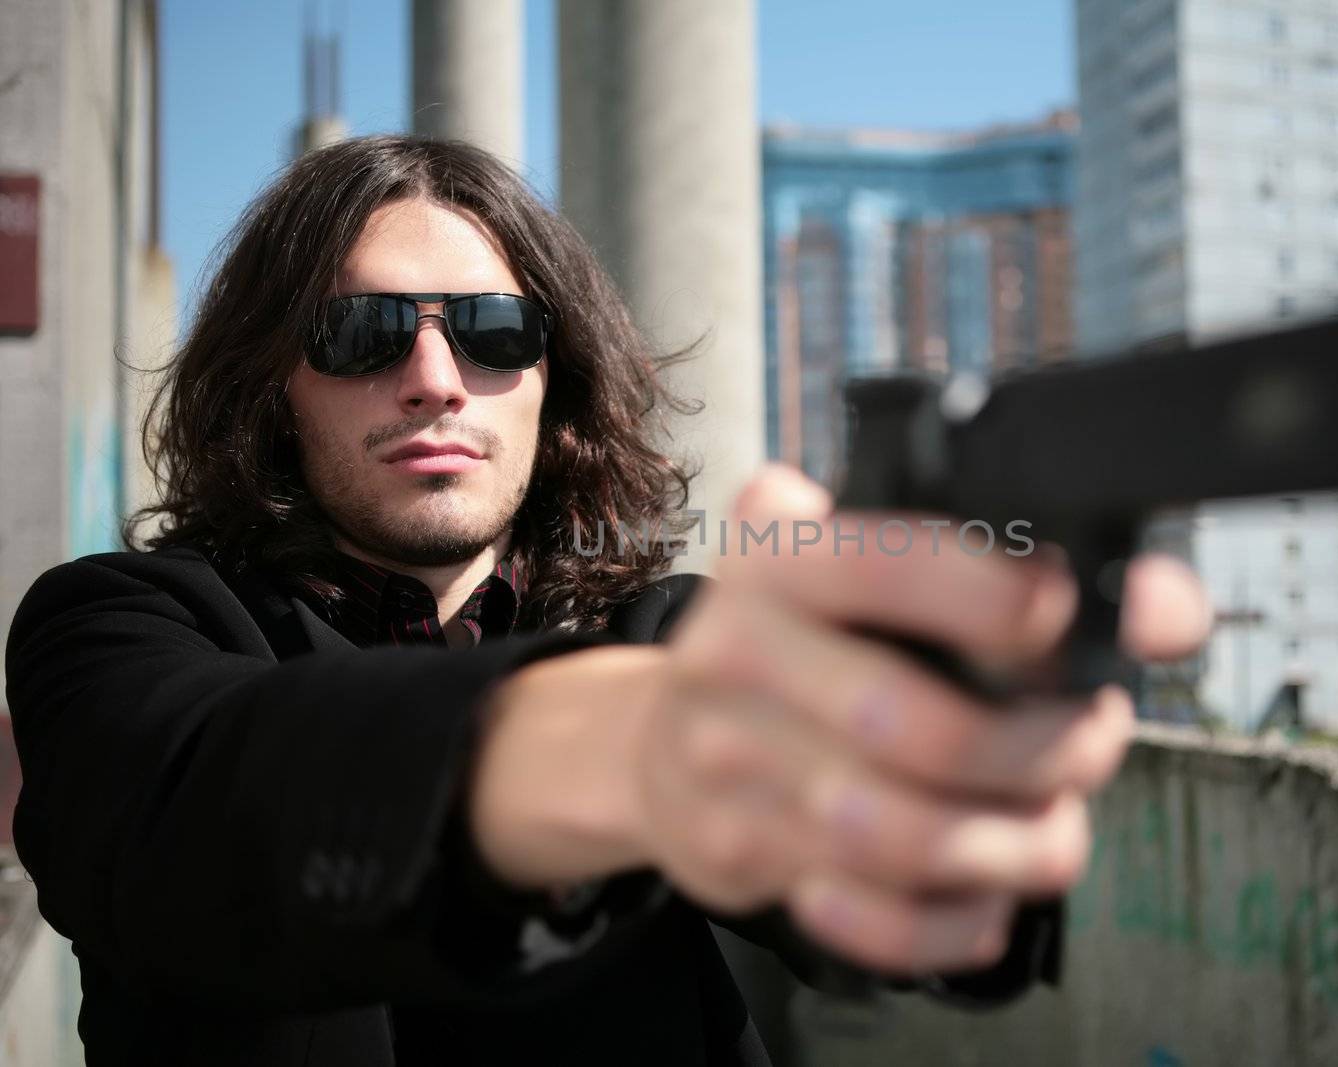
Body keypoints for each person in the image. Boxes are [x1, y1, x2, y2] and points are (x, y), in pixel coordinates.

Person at [4, 135, 1210, 1066]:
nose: (434, 378)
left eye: (492, 331)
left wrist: (941, 753)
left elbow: (898, 912)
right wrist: (650, 743)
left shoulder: (664, 630)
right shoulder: (117, 623)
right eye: (361, 331)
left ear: (552, 381)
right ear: (275, 387)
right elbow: (192, 812)